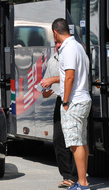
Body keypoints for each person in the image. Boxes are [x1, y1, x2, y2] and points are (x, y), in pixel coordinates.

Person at [49, 18, 92, 190]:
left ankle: (82, 183)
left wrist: (65, 101)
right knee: (81, 142)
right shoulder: (79, 47)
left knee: (75, 143)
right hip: (84, 97)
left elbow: (69, 76)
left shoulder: (67, 49)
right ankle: (83, 179)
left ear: (55, 33)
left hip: (74, 99)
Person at [41, 42, 78, 188]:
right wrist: (45, 91)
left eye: (60, 42)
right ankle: (67, 175)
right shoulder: (53, 60)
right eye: (56, 43)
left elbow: (72, 77)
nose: (58, 45)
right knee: (58, 139)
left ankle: (76, 176)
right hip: (60, 99)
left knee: (75, 139)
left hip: (75, 99)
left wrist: (53, 79)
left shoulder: (74, 55)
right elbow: (46, 87)